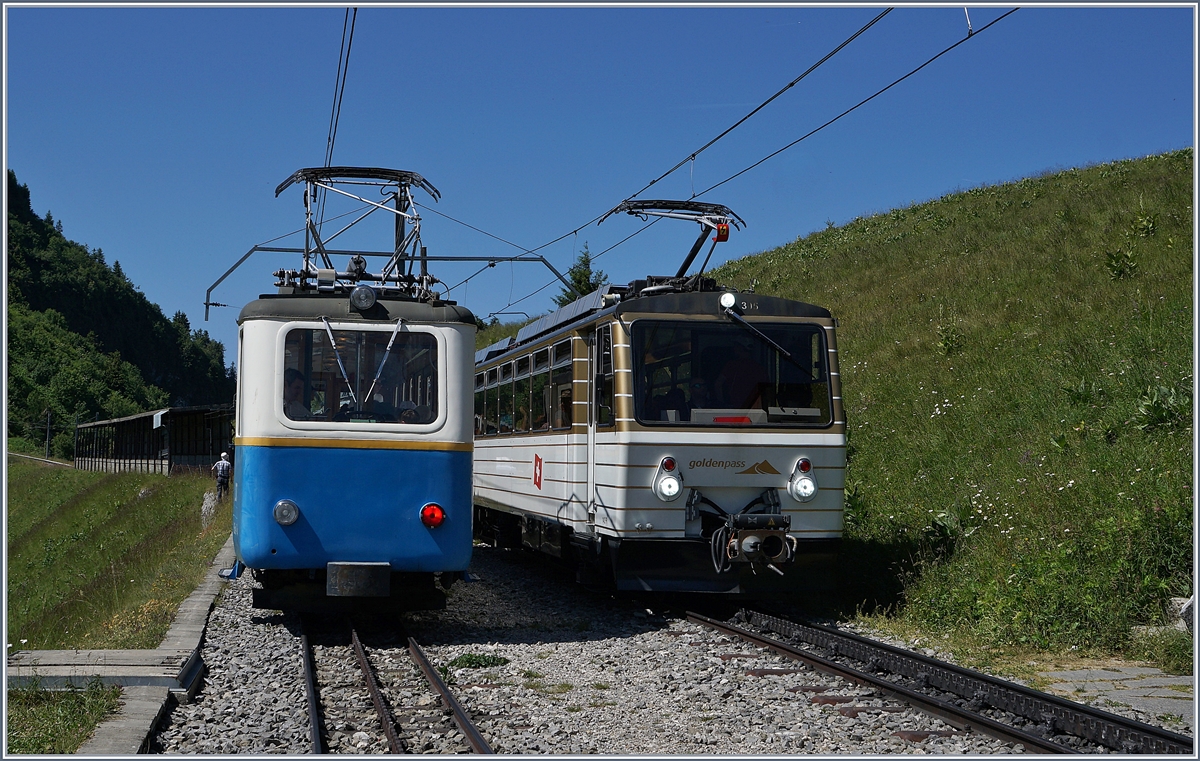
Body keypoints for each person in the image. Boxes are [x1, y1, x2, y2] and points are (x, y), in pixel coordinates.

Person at [715, 337, 768, 409]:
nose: (734, 348)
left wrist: (722, 403)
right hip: (754, 407)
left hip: (734, 406)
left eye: (736, 346)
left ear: (741, 347)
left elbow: (718, 384)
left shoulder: (732, 365)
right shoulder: (759, 368)